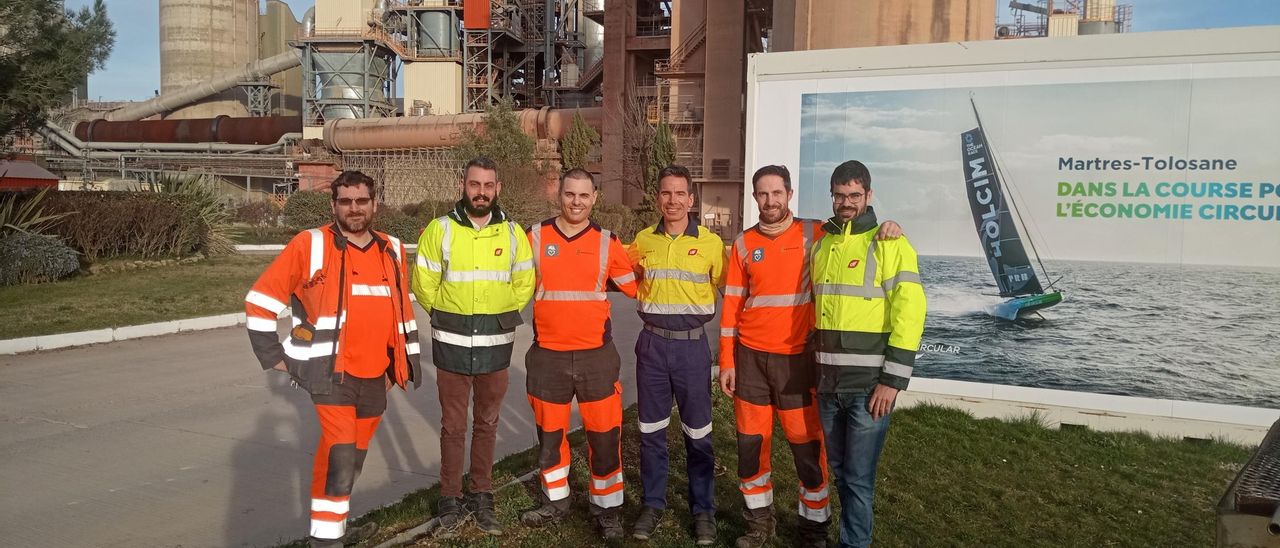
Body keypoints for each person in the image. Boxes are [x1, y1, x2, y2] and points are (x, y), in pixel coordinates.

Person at [719, 165, 903, 548]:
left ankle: (813, 529)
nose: (770, 201)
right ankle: (758, 525)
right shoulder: (741, 244)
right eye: (762, 194)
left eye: (777, 193)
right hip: (750, 359)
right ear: (755, 198)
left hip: (798, 361)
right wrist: (727, 360)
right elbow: (732, 305)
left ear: (789, 194)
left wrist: (891, 227)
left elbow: (857, 234)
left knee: (808, 450)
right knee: (751, 449)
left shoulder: (816, 233)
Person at [244, 170, 421, 548]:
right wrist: (274, 356)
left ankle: (332, 527)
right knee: (340, 450)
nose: (354, 209)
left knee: (351, 456)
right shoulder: (310, 245)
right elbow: (260, 301)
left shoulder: (391, 248)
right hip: (330, 374)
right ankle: (325, 542)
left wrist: (398, 364)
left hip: (376, 375)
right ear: (333, 205)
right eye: (345, 201)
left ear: (374, 204)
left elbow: (401, 309)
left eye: (361, 201)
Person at [411, 157, 535, 538]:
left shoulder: (514, 233)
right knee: (452, 425)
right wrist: (449, 316)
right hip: (451, 344)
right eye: (474, 184)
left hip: (496, 346)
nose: (481, 192)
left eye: (488, 185)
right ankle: (450, 496)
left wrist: (498, 315)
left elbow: (524, 283)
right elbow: (423, 284)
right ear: (463, 185)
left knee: (487, 423)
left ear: (498, 189)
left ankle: (481, 493)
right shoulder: (440, 229)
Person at [810, 160, 926, 548]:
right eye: (840, 195)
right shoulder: (822, 245)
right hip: (828, 386)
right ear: (832, 196)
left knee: (858, 479)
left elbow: (910, 315)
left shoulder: (890, 243)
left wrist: (891, 383)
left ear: (869, 195)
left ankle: (853, 543)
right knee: (841, 474)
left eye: (854, 195)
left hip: (868, 390)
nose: (846, 202)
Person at [518, 168, 639, 539]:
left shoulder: (607, 242)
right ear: (559, 195)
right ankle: (555, 502)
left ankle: (608, 512)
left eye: (584, 195)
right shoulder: (534, 237)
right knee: (550, 438)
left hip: (596, 358)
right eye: (570, 194)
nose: (576, 202)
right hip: (548, 357)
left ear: (595, 198)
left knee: (605, 439)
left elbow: (638, 287)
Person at [628, 164, 725, 545]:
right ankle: (653, 504)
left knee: (698, 433)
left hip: (692, 348)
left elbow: (733, 292)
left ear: (691, 198)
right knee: (650, 431)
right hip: (651, 346)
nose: (673, 200)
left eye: (679, 193)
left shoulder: (712, 244)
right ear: (658, 198)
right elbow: (624, 275)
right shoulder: (642, 241)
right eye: (666, 193)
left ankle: (703, 511)